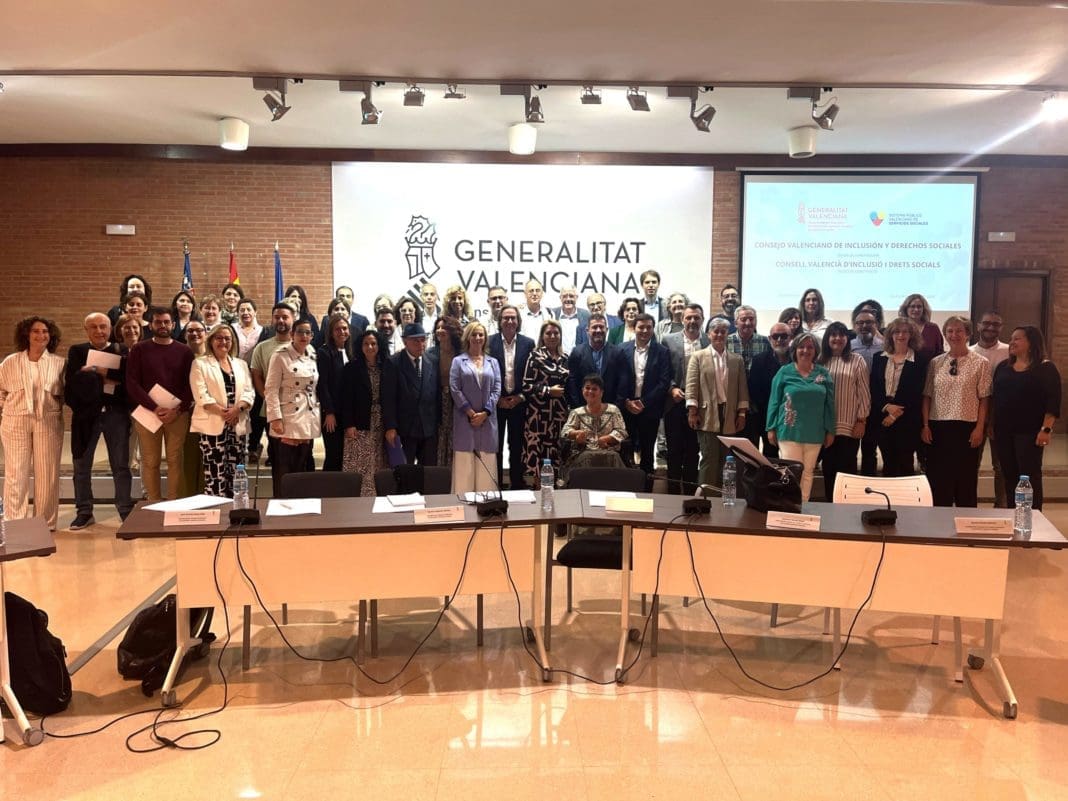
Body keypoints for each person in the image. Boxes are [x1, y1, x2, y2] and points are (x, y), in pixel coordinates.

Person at [65, 313, 133, 528]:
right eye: (93, 327)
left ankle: (125, 509)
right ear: (86, 330)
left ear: (110, 328)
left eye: (103, 326)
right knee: (81, 466)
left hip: (116, 414)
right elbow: (73, 384)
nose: (99, 331)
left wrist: (96, 373)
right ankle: (84, 511)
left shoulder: (122, 351)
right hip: (86, 416)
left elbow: (127, 384)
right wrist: (108, 377)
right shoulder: (77, 351)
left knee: (120, 465)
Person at [0, 316, 66, 530]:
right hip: (15, 421)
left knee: (47, 473)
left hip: (48, 421)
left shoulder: (59, 363)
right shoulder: (10, 362)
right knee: (15, 473)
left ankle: (44, 524)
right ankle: (14, 523)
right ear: (26, 335)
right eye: (35, 331)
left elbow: (66, 394)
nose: (41, 335)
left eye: (45, 331)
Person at [126, 307, 194, 502]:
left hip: (177, 414)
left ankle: (173, 502)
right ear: (151, 325)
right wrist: (154, 407)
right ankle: (154, 503)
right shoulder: (139, 349)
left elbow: (190, 385)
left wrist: (177, 410)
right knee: (150, 461)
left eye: (166, 322)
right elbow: (132, 382)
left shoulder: (185, 351)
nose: (162, 325)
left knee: (175, 460)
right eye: (158, 322)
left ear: (173, 324)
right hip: (148, 413)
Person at [921, 316, 991, 507]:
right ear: (945, 334)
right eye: (950, 331)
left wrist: (979, 428)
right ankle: (938, 520)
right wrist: (925, 425)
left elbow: (984, 398)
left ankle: (965, 518)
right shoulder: (935, 363)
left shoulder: (981, 362)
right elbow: (927, 395)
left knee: (965, 479)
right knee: (938, 478)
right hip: (938, 427)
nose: (954, 335)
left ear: (968, 334)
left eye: (959, 330)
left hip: (967, 427)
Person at [991, 325, 1061, 511]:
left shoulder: (1046, 368)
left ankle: (1033, 516)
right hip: (1003, 432)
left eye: (1017, 339)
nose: (1011, 342)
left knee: (1029, 477)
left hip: (1030, 433)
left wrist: (1046, 429)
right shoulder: (1003, 367)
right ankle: (1013, 513)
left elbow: (1053, 402)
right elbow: (996, 398)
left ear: (1031, 343)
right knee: (1009, 475)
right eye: (1011, 339)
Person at [765, 332, 835, 503]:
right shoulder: (784, 372)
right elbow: (774, 401)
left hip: (815, 432)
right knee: (791, 472)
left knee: (808, 472)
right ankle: (790, 506)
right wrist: (771, 427)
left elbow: (830, 404)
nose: (805, 350)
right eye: (801, 347)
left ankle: (803, 506)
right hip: (789, 430)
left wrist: (830, 430)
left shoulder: (823, 373)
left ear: (815, 351)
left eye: (810, 347)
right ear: (795, 350)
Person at [686, 317, 750, 492]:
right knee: (709, 458)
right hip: (707, 414)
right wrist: (692, 411)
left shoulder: (736, 359)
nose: (720, 335)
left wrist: (742, 413)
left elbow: (742, 388)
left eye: (723, 331)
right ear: (709, 334)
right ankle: (705, 497)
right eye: (716, 331)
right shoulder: (698, 357)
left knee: (727, 459)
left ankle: (725, 498)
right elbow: (692, 385)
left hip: (729, 414)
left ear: (727, 334)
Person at [190, 324, 254, 496]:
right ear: (211, 340)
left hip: (237, 425)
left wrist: (237, 409)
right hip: (213, 425)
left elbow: (249, 392)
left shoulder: (241, 364)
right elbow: (201, 395)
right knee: (215, 473)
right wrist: (225, 413)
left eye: (227, 338)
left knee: (237, 472)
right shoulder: (200, 364)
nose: (223, 342)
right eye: (219, 338)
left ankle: (237, 506)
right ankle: (217, 507)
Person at [264, 319, 320, 497]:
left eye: (308, 332)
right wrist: (275, 418)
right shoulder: (280, 355)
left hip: (308, 415)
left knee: (302, 468)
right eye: (300, 332)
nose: (304, 336)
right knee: (284, 470)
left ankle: (301, 506)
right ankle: (281, 506)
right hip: (287, 416)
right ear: (292, 334)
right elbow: (271, 389)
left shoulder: (312, 353)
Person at [817, 322, 870, 501]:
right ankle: (830, 509)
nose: (837, 338)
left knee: (847, 473)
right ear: (827, 338)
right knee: (828, 471)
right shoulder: (819, 361)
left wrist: (861, 421)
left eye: (841, 335)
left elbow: (864, 393)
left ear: (847, 338)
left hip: (849, 427)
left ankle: (846, 511)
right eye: (833, 335)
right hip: (825, 428)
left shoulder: (857, 360)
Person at [617, 313, 671, 481]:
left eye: (649, 327)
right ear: (634, 328)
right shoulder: (621, 349)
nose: (645, 331)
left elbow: (664, 382)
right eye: (641, 327)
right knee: (625, 449)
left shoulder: (662, 352)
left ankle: (646, 488)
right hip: (626, 408)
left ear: (653, 329)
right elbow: (616, 378)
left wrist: (643, 402)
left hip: (650, 409)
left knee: (647, 451)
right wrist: (625, 402)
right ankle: (627, 485)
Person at [870, 317, 927, 477]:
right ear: (890, 335)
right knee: (888, 463)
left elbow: (918, 391)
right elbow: (874, 387)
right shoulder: (879, 357)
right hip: (882, 416)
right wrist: (886, 407)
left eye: (905, 332)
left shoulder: (920, 360)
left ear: (911, 335)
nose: (900, 335)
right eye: (896, 332)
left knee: (905, 463)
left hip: (907, 419)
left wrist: (895, 415)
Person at [450, 321, 502, 493]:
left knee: (486, 470)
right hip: (465, 420)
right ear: (468, 337)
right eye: (474, 334)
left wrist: (485, 413)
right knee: (464, 470)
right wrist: (471, 413)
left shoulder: (493, 362)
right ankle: (463, 506)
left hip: (487, 421)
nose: (478, 337)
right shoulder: (458, 361)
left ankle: (487, 507)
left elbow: (497, 389)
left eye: (481, 334)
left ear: (485, 338)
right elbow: (455, 388)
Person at [662, 303, 707, 494]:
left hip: (700, 403)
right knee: (674, 450)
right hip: (675, 401)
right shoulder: (668, 340)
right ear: (682, 319)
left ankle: (689, 492)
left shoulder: (708, 340)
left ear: (702, 320)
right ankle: (672, 492)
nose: (692, 321)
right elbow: (663, 369)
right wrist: (671, 388)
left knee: (693, 450)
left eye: (696, 317)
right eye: (689, 317)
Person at [488, 305, 535, 489]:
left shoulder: (528, 343)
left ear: (518, 321)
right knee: (496, 446)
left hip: (519, 402)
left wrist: (521, 397)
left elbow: (532, 374)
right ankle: (496, 483)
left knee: (517, 445)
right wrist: (497, 399)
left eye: (513, 318)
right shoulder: (489, 342)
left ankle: (517, 483)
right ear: (500, 321)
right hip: (496, 403)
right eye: (505, 318)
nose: (509, 321)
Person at [340, 329, 391, 497]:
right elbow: (346, 399)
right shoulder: (351, 368)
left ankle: (377, 497)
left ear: (379, 345)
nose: (370, 347)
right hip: (359, 422)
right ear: (360, 346)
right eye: (366, 344)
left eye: (373, 343)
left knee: (378, 462)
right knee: (359, 463)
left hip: (380, 422)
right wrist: (349, 424)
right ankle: (358, 499)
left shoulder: (386, 367)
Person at [383, 323, 439, 466]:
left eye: (423, 340)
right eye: (415, 341)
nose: (420, 344)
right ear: (405, 341)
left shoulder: (432, 360)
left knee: (428, 470)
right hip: (405, 428)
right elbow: (388, 398)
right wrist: (390, 426)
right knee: (405, 471)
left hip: (428, 427)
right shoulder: (393, 363)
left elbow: (435, 395)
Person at [521, 319, 570, 486]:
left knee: (556, 452)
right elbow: (526, 386)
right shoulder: (535, 356)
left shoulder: (565, 358)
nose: (552, 336)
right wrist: (548, 390)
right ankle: (538, 490)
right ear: (542, 336)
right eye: (548, 333)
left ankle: (554, 490)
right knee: (538, 454)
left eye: (556, 333)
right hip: (538, 415)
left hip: (558, 415)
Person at [971, 311, 1011, 506]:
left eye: (996, 324)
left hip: (1002, 415)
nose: (990, 327)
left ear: (1001, 328)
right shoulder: (969, 351)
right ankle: (969, 503)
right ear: (978, 326)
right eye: (986, 323)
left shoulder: (1009, 351)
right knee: (971, 464)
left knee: (1001, 465)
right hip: (974, 414)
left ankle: (1001, 505)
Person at [249, 302, 296, 466]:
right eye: (277, 317)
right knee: (277, 453)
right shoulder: (262, 347)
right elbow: (257, 375)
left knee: (298, 455)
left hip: (297, 409)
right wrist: (268, 398)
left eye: (285, 317)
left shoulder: (304, 347)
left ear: (293, 319)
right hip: (272, 406)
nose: (281, 320)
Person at [560, 373, 628, 485]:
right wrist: (576, 434)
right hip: (583, 454)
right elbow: (564, 432)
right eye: (587, 388)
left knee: (614, 458)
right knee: (585, 457)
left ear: (601, 392)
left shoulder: (613, 410)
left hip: (609, 454)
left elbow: (622, 431)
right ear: (582, 390)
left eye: (594, 389)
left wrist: (607, 438)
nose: (590, 391)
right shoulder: (576, 412)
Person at [747, 322, 792, 458]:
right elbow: (754, 391)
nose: (779, 340)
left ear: (790, 337)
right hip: (767, 417)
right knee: (770, 456)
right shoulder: (759, 360)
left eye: (784, 336)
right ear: (769, 338)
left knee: (792, 457)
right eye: (775, 336)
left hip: (793, 418)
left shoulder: (798, 359)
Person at [850, 308, 885, 476]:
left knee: (870, 447)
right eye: (860, 323)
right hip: (854, 402)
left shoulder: (885, 346)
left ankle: (868, 481)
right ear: (855, 326)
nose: (864, 326)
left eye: (869, 322)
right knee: (850, 447)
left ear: (876, 324)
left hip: (877, 402)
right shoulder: (849, 346)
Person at [316, 315, 351, 472]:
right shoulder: (324, 352)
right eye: (337, 329)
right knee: (333, 454)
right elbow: (322, 385)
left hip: (347, 413)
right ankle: (328, 486)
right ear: (330, 332)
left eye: (345, 328)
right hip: (332, 414)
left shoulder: (351, 351)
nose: (342, 332)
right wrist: (329, 412)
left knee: (346, 455)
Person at [567, 314, 623, 408]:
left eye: (601, 327)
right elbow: (572, 382)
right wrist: (578, 407)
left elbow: (622, 382)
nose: (598, 330)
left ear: (607, 329)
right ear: (587, 330)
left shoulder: (617, 352)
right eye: (594, 327)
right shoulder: (577, 352)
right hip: (583, 407)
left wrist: (616, 406)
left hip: (610, 407)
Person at [179, 319, 208, 497]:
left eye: (199, 330)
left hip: (209, 412)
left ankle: (205, 495)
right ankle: (188, 497)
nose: (195, 334)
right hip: (184, 412)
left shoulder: (212, 357)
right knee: (188, 457)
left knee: (207, 456)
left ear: (206, 333)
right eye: (190, 331)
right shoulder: (178, 355)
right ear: (185, 335)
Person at [433, 316, 463, 466]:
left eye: (444, 327)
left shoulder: (462, 354)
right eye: (437, 328)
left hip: (458, 402)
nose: (440, 330)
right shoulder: (430, 354)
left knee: (455, 437)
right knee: (439, 440)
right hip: (437, 403)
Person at [899, 293, 944, 362]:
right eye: (912, 306)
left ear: (924, 309)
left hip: (930, 367)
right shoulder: (899, 328)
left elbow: (939, 353)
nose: (916, 309)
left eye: (919, 307)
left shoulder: (933, 328)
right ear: (906, 308)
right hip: (904, 367)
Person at [550, 285, 589, 355]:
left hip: (579, 358)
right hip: (557, 358)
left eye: (571, 296)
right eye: (564, 296)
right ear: (560, 298)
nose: (568, 299)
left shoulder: (586, 315)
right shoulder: (552, 314)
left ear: (576, 297)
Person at [231, 298, 263, 362]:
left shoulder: (261, 331)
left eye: (249, 310)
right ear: (237, 313)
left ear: (255, 312)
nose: (245, 313)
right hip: (235, 365)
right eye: (242, 310)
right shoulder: (232, 329)